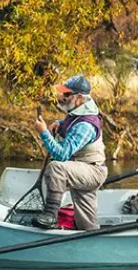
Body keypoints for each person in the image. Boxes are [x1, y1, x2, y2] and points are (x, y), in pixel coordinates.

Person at [31, 75, 108, 230]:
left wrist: (44, 132)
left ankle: (50, 215)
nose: (61, 97)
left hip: (92, 171)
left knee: (56, 167)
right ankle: (90, 236)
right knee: (86, 225)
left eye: (66, 94)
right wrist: (59, 123)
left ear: (79, 98)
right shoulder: (77, 112)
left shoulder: (86, 125)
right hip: (81, 168)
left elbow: (62, 155)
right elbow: (71, 123)